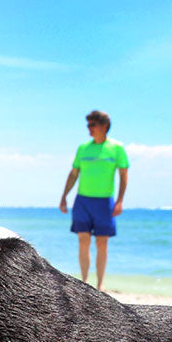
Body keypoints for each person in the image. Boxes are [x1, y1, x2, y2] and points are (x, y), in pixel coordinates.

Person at [59, 110, 129, 291]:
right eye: (88, 125)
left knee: (102, 242)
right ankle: (84, 281)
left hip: (104, 202)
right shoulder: (83, 148)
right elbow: (74, 173)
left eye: (92, 125)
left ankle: (100, 284)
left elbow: (123, 176)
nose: (89, 128)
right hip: (83, 201)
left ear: (104, 126)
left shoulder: (117, 148)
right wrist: (64, 196)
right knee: (83, 239)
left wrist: (120, 200)